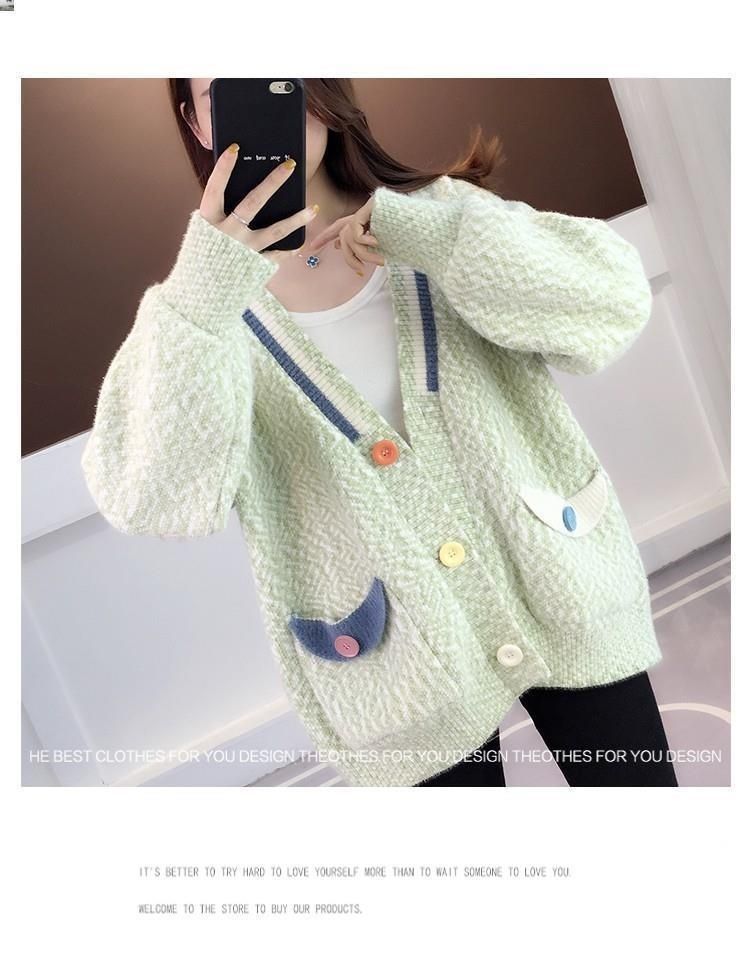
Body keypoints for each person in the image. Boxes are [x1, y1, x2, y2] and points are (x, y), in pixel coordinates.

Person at [81, 78, 677, 787]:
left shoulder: (440, 216)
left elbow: (612, 301)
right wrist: (204, 288)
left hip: (559, 587)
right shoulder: (199, 315)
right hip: (399, 663)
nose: (263, 99)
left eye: (279, 74)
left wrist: (429, 237)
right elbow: (151, 499)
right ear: (196, 122)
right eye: (223, 89)